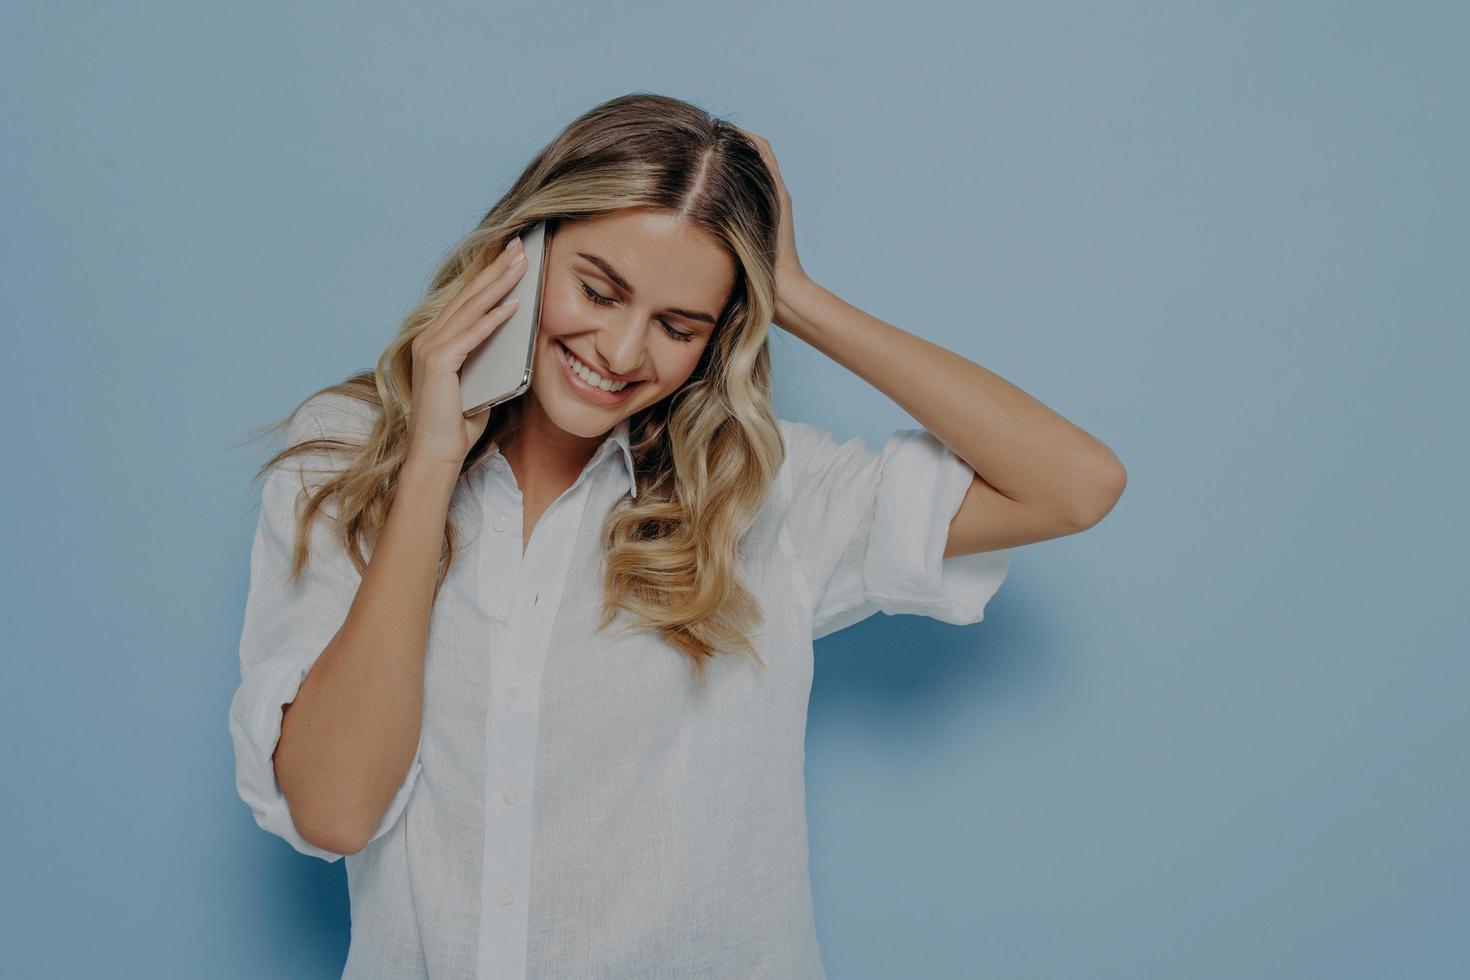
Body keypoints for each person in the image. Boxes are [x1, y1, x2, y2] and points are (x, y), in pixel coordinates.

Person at [227, 91, 1125, 979]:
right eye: (598, 290)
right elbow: (334, 813)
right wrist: (429, 467)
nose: (620, 353)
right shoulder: (342, 463)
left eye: (677, 326)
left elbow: (1076, 486)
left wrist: (799, 296)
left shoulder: (763, 499)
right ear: (519, 252)